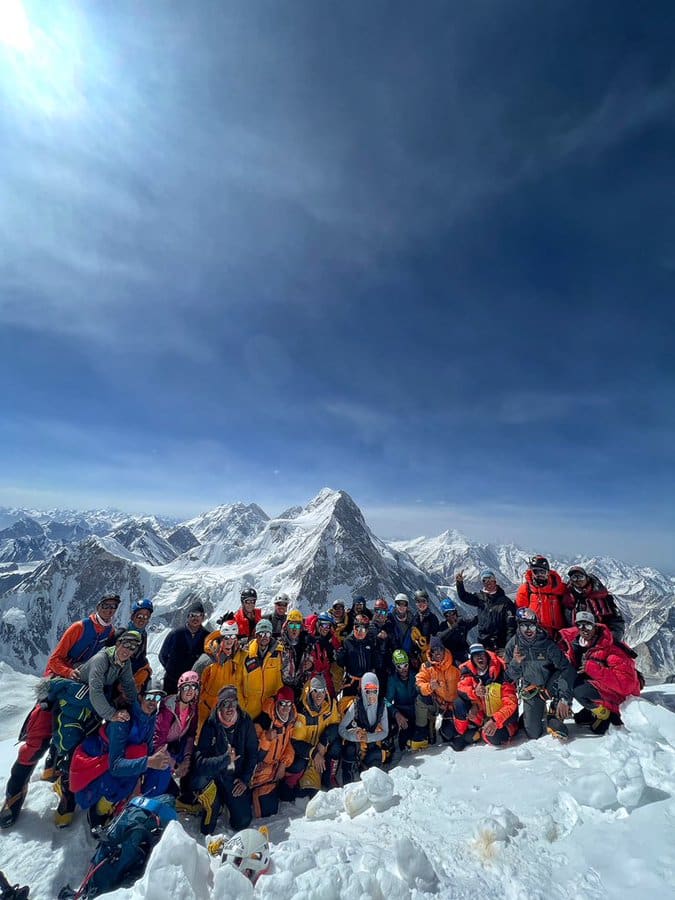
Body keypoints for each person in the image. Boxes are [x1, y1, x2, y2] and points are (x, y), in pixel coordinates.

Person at [0, 593, 120, 829]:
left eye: (113, 607)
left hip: (81, 693)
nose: (109, 610)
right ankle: (12, 800)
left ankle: (61, 787)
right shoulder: (79, 628)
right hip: (56, 688)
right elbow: (54, 659)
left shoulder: (110, 634)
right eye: (105, 606)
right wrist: (68, 673)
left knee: (73, 743)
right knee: (35, 742)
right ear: (97, 606)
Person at [46, 630, 142, 826]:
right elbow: (95, 690)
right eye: (126, 645)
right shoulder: (101, 659)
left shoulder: (123, 663)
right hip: (75, 704)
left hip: (91, 709)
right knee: (72, 750)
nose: (128, 650)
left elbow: (128, 685)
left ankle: (75, 785)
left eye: (133, 648)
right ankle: (66, 798)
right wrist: (112, 714)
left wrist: (139, 707)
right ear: (119, 643)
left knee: (85, 747)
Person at [70, 686, 171, 830]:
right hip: (100, 761)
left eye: (157, 699)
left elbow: (146, 750)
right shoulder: (122, 721)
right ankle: (100, 809)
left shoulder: (149, 718)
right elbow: (115, 765)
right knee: (118, 778)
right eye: (150, 697)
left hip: (123, 761)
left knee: (162, 769)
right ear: (140, 697)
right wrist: (148, 762)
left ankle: (142, 805)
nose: (153, 702)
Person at [188, 686, 259, 835]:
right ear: (219, 705)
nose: (230, 708)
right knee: (207, 829)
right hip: (212, 777)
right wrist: (225, 759)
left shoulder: (245, 721)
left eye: (233, 704)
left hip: (233, 777)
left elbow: (253, 753)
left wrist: (245, 779)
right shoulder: (211, 724)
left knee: (242, 821)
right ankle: (213, 802)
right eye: (225, 704)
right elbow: (200, 762)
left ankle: (225, 800)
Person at [558, 611, 641, 734]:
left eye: (588, 626)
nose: (584, 630)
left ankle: (608, 714)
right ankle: (594, 709)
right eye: (580, 625)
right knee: (570, 682)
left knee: (578, 689)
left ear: (595, 627)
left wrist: (593, 668)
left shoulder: (612, 649)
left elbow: (626, 686)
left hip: (620, 698)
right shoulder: (577, 645)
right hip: (601, 688)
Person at [504, 608, 574, 740]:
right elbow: (510, 677)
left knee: (556, 720)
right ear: (518, 626)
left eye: (531, 626)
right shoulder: (512, 645)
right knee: (533, 733)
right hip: (531, 689)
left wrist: (564, 698)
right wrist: (516, 662)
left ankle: (554, 709)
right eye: (524, 626)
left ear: (537, 625)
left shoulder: (547, 644)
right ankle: (535, 713)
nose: (528, 630)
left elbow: (566, 669)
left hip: (551, 685)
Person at [453, 643, 518, 750]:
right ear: (472, 659)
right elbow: (461, 688)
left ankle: (481, 733)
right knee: (458, 703)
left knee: (494, 737)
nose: (479, 658)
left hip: (501, 718)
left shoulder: (501, 672)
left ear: (487, 655)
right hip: (483, 716)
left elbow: (511, 704)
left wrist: (495, 720)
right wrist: (474, 693)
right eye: (475, 655)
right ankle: (463, 733)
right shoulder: (469, 672)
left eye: (481, 654)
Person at [145, 670, 200, 797]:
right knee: (163, 767)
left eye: (194, 686)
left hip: (174, 745)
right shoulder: (168, 708)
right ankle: (150, 797)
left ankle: (185, 795)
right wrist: (175, 765)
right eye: (186, 686)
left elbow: (191, 735)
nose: (190, 690)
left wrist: (186, 760)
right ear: (180, 688)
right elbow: (157, 741)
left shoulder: (192, 707)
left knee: (196, 759)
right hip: (158, 748)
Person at [284, 675, 341, 796]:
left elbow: (337, 727)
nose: (319, 696)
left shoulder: (331, 706)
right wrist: (314, 753)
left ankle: (329, 777)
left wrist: (324, 741)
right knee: (298, 764)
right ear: (310, 691)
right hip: (305, 753)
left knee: (336, 746)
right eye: (315, 691)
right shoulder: (302, 711)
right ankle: (291, 781)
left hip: (321, 750)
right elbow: (296, 742)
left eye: (322, 691)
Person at [250, 686, 297, 817]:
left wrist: (283, 764)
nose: (285, 708)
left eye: (289, 704)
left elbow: (289, 745)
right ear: (276, 703)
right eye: (282, 703)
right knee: (267, 812)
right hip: (261, 771)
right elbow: (256, 755)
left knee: (289, 796)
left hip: (277, 769)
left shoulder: (291, 721)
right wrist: (266, 739)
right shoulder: (263, 722)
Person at [339, 672, 389, 783]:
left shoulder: (382, 705)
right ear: (363, 691)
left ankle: (367, 774)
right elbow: (341, 729)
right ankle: (348, 782)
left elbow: (385, 732)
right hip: (357, 741)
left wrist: (369, 737)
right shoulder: (356, 705)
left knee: (376, 755)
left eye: (374, 691)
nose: (371, 695)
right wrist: (354, 736)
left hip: (371, 741)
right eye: (368, 691)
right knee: (350, 749)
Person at [239, 619, 293, 720]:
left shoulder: (280, 653)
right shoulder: (245, 653)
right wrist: (242, 705)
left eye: (267, 634)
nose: (264, 637)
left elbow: (287, 678)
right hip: (249, 710)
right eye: (261, 633)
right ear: (256, 635)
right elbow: (237, 681)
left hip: (271, 709)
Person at [414, 635, 460, 748]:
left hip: (455, 705)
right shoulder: (426, 666)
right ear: (431, 652)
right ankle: (423, 730)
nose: (437, 653)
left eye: (439, 649)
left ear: (444, 650)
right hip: (438, 703)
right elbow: (418, 684)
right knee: (420, 700)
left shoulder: (456, 664)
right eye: (434, 650)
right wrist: (430, 686)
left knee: (449, 734)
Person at [197, 620, 243, 732]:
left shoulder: (236, 658)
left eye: (232, 637)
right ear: (221, 638)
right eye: (226, 637)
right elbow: (197, 687)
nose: (229, 641)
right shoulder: (207, 660)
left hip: (227, 710)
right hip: (206, 710)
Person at [455, 569, 516, 655]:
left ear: (495, 581)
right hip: (483, 643)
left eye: (490, 580)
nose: (488, 583)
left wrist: (508, 648)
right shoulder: (480, 598)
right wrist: (459, 584)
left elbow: (511, 627)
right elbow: (464, 597)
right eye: (485, 581)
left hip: (500, 645)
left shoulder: (506, 602)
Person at [158, 601, 210, 694]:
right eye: (192, 615)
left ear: (203, 617)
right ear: (187, 617)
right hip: (172, 682)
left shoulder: (207, 636)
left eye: (198, 615)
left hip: (194, 683)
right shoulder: (176, 633)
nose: (195, 618)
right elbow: (163, 655)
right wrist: (171, 670)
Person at [515, 555, 572, 639]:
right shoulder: (526, 589)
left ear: (548, 572)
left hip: (557, 635)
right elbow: (521, 612)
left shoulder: (559, 587)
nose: (540, 575)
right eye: (536, 572)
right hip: (534, 633)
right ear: (532, 572)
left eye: (542, 572)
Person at [565, 567, 625, 640]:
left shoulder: (603, 597)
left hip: (604, 638)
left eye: (581, 577)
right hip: (579, 640)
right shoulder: (568, 600)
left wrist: (613, 637)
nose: (578, 580)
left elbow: (617, 620)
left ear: (587, 578)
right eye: (574, 577)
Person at [336, 614, 378, 697]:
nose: (360, 632)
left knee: (368, 706)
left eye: (363, 629)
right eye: (357, 628)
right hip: (351, 681)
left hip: (367, 681)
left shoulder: (370, 641)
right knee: (347, 706)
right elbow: (341, 663)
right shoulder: (347, 641)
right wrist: (340, 656)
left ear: (367, 630)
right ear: (353, 627)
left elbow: (374, 660)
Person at [385, 649, 418, 753]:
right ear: (395, 666)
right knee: (403, 739)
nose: (403, 669)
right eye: (399, 666)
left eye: (405, 665)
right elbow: (387, 701)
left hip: (416, 711)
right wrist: (396, 714)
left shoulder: (415, 676)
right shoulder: (392, 680)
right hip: (402, 711)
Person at [304, 612, 341, 697]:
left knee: (330, 697)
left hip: (326, 673)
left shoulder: (330, 637)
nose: (326, 628)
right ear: (318, 623)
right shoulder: (308, 638)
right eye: (324, 625)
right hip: (310, 676)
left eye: (328, 626)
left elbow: (339, 648)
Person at [384, 594, 422, 670]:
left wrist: (413, 655)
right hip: (394, 655)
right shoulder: (389, 619)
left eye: (404, 604)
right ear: (395, 604)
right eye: (399, 604)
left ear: (407, 606)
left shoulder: (413, 619)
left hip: (409, 656)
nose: (401, 606)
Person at [126, 598, 155, 692]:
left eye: (146, 617)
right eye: (139, 616)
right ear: (133, 617)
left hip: (134, 680)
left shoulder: (143, 635)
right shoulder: (122, 633)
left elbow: (141, 657)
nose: (142, 620)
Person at [437, 598, 476, 664]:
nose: (451, 616)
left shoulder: (462, 623)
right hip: (451, 657)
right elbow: (439, 637)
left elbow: (474, 621)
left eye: (452, 613)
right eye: (447, 615)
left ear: (456, 613)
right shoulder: (443, 626)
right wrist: (453, 627)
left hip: (465, 653)